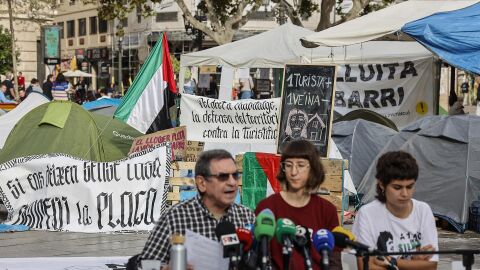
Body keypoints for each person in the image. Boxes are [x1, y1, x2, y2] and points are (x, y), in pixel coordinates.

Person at [137, 149, 255, 269]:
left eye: (235, 175)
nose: (232, 182)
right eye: (223, 176)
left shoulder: (247, 216)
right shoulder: (174, 216)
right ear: (202, 183)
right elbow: (145, 264)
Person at [255, 139, 341, 270]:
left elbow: (334, 262)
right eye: (288, 165)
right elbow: (257, 256)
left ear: (312, 168)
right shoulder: (267, 207)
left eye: (300, 165)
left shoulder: (327, 210)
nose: (293, 172)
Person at [352, 151, 438, 270]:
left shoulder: (423, 211)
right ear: (382, 184)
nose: (405, 194)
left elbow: (431, 265)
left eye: (410, 187)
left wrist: (391, 262)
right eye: (397, 187)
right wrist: (413, 263)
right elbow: (365, 266)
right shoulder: (367, 214)